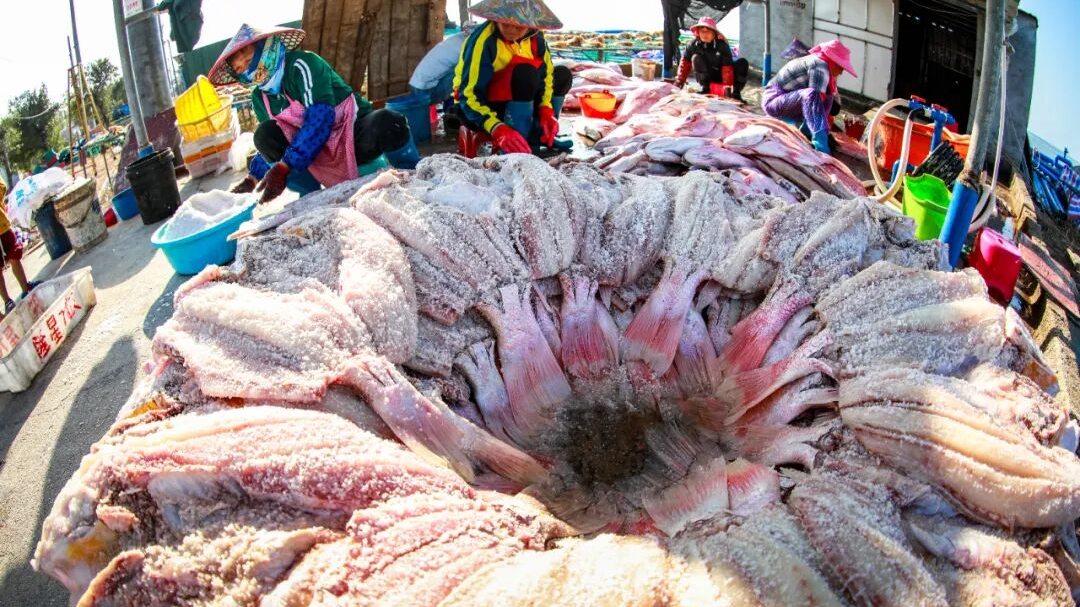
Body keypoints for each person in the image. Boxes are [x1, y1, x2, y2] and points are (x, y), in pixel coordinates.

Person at [209, 24, 421, 204]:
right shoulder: (260, 97)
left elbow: (321, 119)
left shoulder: (302, 64)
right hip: (314, 158)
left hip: (351, 139)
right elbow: (273, 143)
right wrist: (253, 179)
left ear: (266, 48)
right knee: (264, 135)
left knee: (387, 121)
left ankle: (414, 175)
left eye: (248, 60)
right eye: (239, 69)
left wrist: (284, 167)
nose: (248, 70)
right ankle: (312, 197)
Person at [453, 0, 572, 155]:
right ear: (496, 18)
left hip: (519, 98)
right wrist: (498, 128)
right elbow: (469, 96)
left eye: (519, 25)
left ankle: (540, 134)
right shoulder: (483, 41)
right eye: (505, 23)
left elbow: (546, 76)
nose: (511, 29)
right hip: (477, 108)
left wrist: (546, 109)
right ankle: (516, 145)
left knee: (562, 75)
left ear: (530, 24)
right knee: (525, 73)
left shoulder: (537, 38)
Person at [761, 39, 857, 154]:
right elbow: (813, 102)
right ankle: (818, 142)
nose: (841, 72)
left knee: (827, 97)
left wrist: (825, 129)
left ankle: (807, 133)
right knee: (812, 96)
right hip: (773, 101)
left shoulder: (824, 69)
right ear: (834, 62)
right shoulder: (819, 65)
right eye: (841, 67)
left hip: (789, 102)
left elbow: (823, 104)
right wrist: (822, 144)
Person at [410, 23, 476, 130]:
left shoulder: (457, 38)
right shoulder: (468, 45)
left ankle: (451, 107)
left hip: (417, 86)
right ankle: (455, 109)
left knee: (459, 69)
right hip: (427, 91)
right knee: (466, 71)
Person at [674, 17, 748, 101]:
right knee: (696, 58)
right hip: (708, 77)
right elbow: (684, 63)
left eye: (708, 31)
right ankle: (705, 89)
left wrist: (727, 88)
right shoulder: (692, 45)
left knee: (742, 63)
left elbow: (727, 68)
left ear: (714, 33)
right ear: (698, 32)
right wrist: (679, 82)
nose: (705, 34)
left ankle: (736, 93)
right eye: (702, 31)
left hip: (722, 76)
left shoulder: (722, 45)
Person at [0, 179, 40, 315]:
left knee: (14, 254)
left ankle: (26, 288)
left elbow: (2, 186)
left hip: (2, 224)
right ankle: (8, 302)